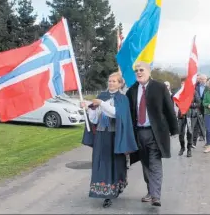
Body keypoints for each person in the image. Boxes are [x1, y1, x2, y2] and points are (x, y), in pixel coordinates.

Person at [81, 72, 138, 208]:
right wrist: (89, 109)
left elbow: (115, 113)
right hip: (101, 135)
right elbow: (95, 119)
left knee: (114, 163)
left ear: (120, 84)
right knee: (101, 162)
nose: (111, 83)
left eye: (114, 81)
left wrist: (101, 104)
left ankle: (113, 189)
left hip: (115, 136)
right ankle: (104, 191)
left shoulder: (122, 99)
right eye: (110, 81)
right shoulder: (102, 96)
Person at [125, 61, 178, 207]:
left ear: (149, 71)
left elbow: (169, 109)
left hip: (155, 133)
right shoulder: (132, 90)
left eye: (141, 70)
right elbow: (128, 113)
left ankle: (156, 195)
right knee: (145, 164)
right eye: (136, 71)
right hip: (139, 134)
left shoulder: (160, 87)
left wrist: (174, 129)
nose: (139, 72)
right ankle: (151, 191)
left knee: (155, 163)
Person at [176, 77, 201, 157]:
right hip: (181, 115)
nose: (183, 84)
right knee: (180, 133)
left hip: (191, 115)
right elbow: (176, 103)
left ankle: (189, 149)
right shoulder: (179, 92)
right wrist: (181, 104)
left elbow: (198, 103)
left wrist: (189, 104)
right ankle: (182, 147)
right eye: (182, 83)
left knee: (189, 132)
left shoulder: (194, 92)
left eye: (185, 83)